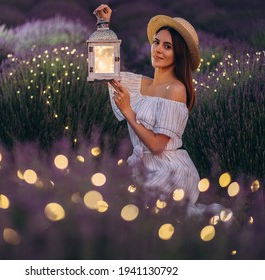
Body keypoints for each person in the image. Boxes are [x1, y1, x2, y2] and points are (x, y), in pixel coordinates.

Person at [93, 4, 225, 217]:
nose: (158, 49)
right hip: (140, 166)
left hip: (170, 171)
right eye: (156, 42)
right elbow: (103, 72)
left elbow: (156, 146)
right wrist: (103, 26)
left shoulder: (177, 90)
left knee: (143, 213)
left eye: (167, 46)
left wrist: (128, 111)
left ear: (178, 54)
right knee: (108, 203)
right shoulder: (139, 84)